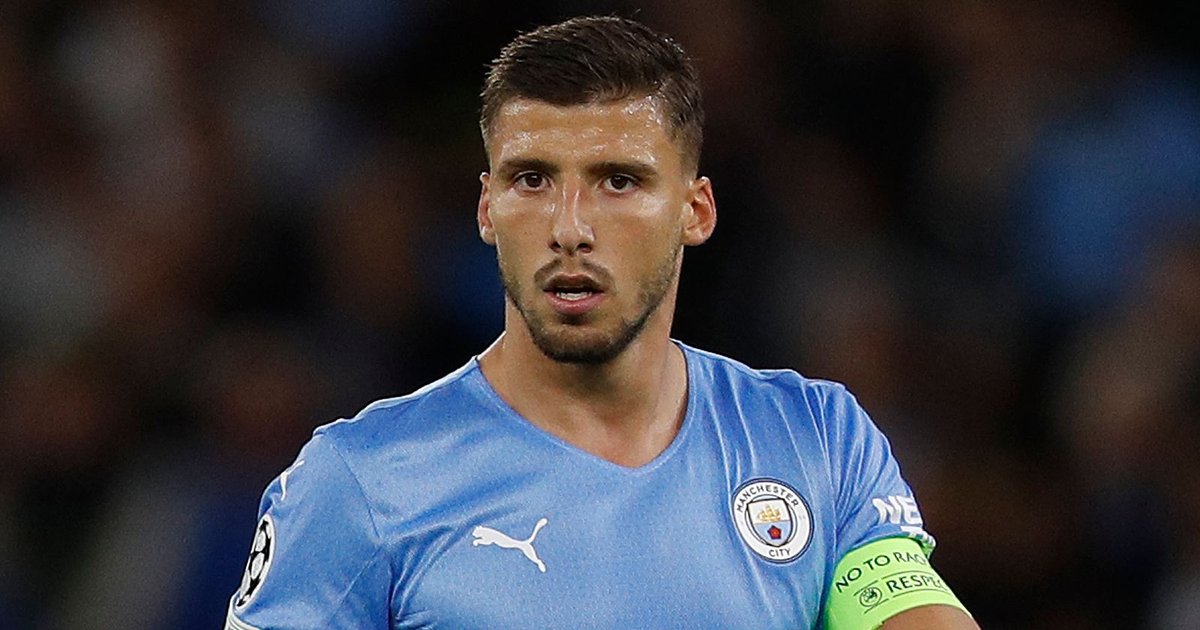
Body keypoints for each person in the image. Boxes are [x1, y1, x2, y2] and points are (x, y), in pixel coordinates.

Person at [226, 15, 978, 630]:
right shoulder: (361, 482)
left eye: (619, 181)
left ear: (695, 210)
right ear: (487, 208)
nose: (570, 228)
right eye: (532, 180)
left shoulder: (816, 441)